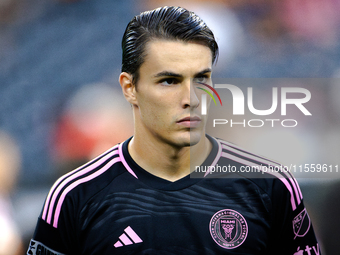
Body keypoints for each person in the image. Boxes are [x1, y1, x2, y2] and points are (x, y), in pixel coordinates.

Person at [27, 6, 321, 254]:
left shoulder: (271, 187)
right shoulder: (75, 195)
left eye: (201, 78)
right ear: (130, 88)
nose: (190, 99)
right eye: (169, 81)